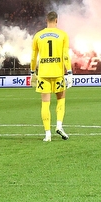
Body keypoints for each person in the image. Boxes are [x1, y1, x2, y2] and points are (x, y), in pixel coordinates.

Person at [31, 11, 72, 142]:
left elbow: (33, 57)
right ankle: (59, 125)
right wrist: (69, 72)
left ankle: (47, 134)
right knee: (61, 100)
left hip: (43, 74)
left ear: (46, 20)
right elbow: (65, 55)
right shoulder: (63, 35)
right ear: (57, 20)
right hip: (58, 73)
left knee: (45, 103)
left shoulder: (38, 35)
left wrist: (32, 72)